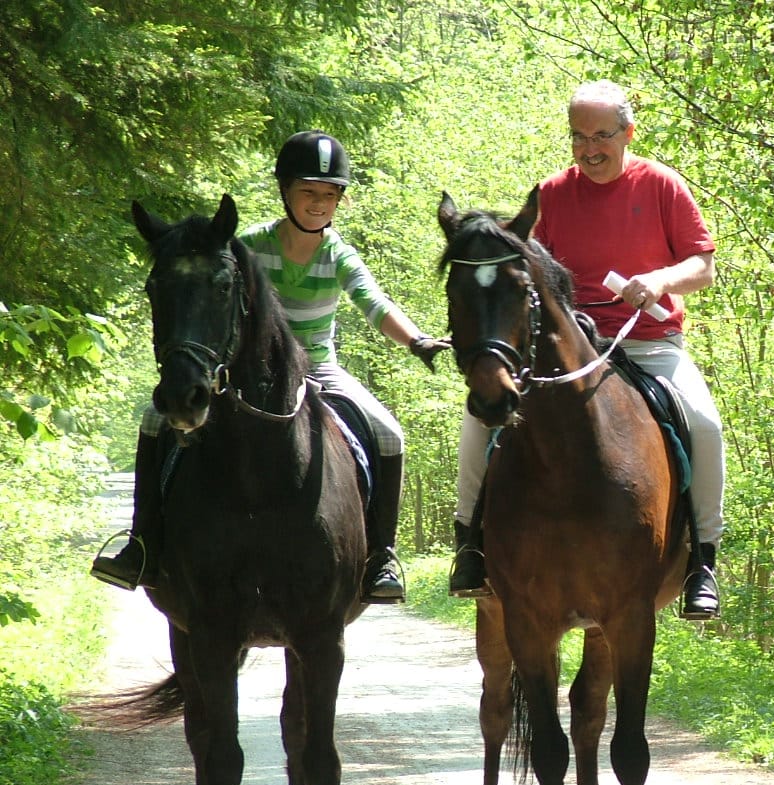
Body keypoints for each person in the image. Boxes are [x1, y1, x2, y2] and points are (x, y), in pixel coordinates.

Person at [92, 130, 445, 603]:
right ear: (285, 192)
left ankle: (380, 556)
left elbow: (374, 304)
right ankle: (142, 544)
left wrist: (417, 340)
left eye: (329, 194)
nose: (318, 203)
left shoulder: (338, 254)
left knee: (389, 434)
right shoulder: (249, 246)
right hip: (251, 368)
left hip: (317, 369)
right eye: (308, 191)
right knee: (155, 420)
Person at [450, 79, 726, 620]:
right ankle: (470, 545)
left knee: (704, 423)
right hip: (570, 347)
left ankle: (703, 559)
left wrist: (660, 280)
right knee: (480, 419)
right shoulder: (552, 194)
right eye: (579, 136)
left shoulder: (662, 185)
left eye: (602, 136)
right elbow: (525, 277)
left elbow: (703, 266)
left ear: (628, 133)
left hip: (648, 342)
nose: (590, 149)